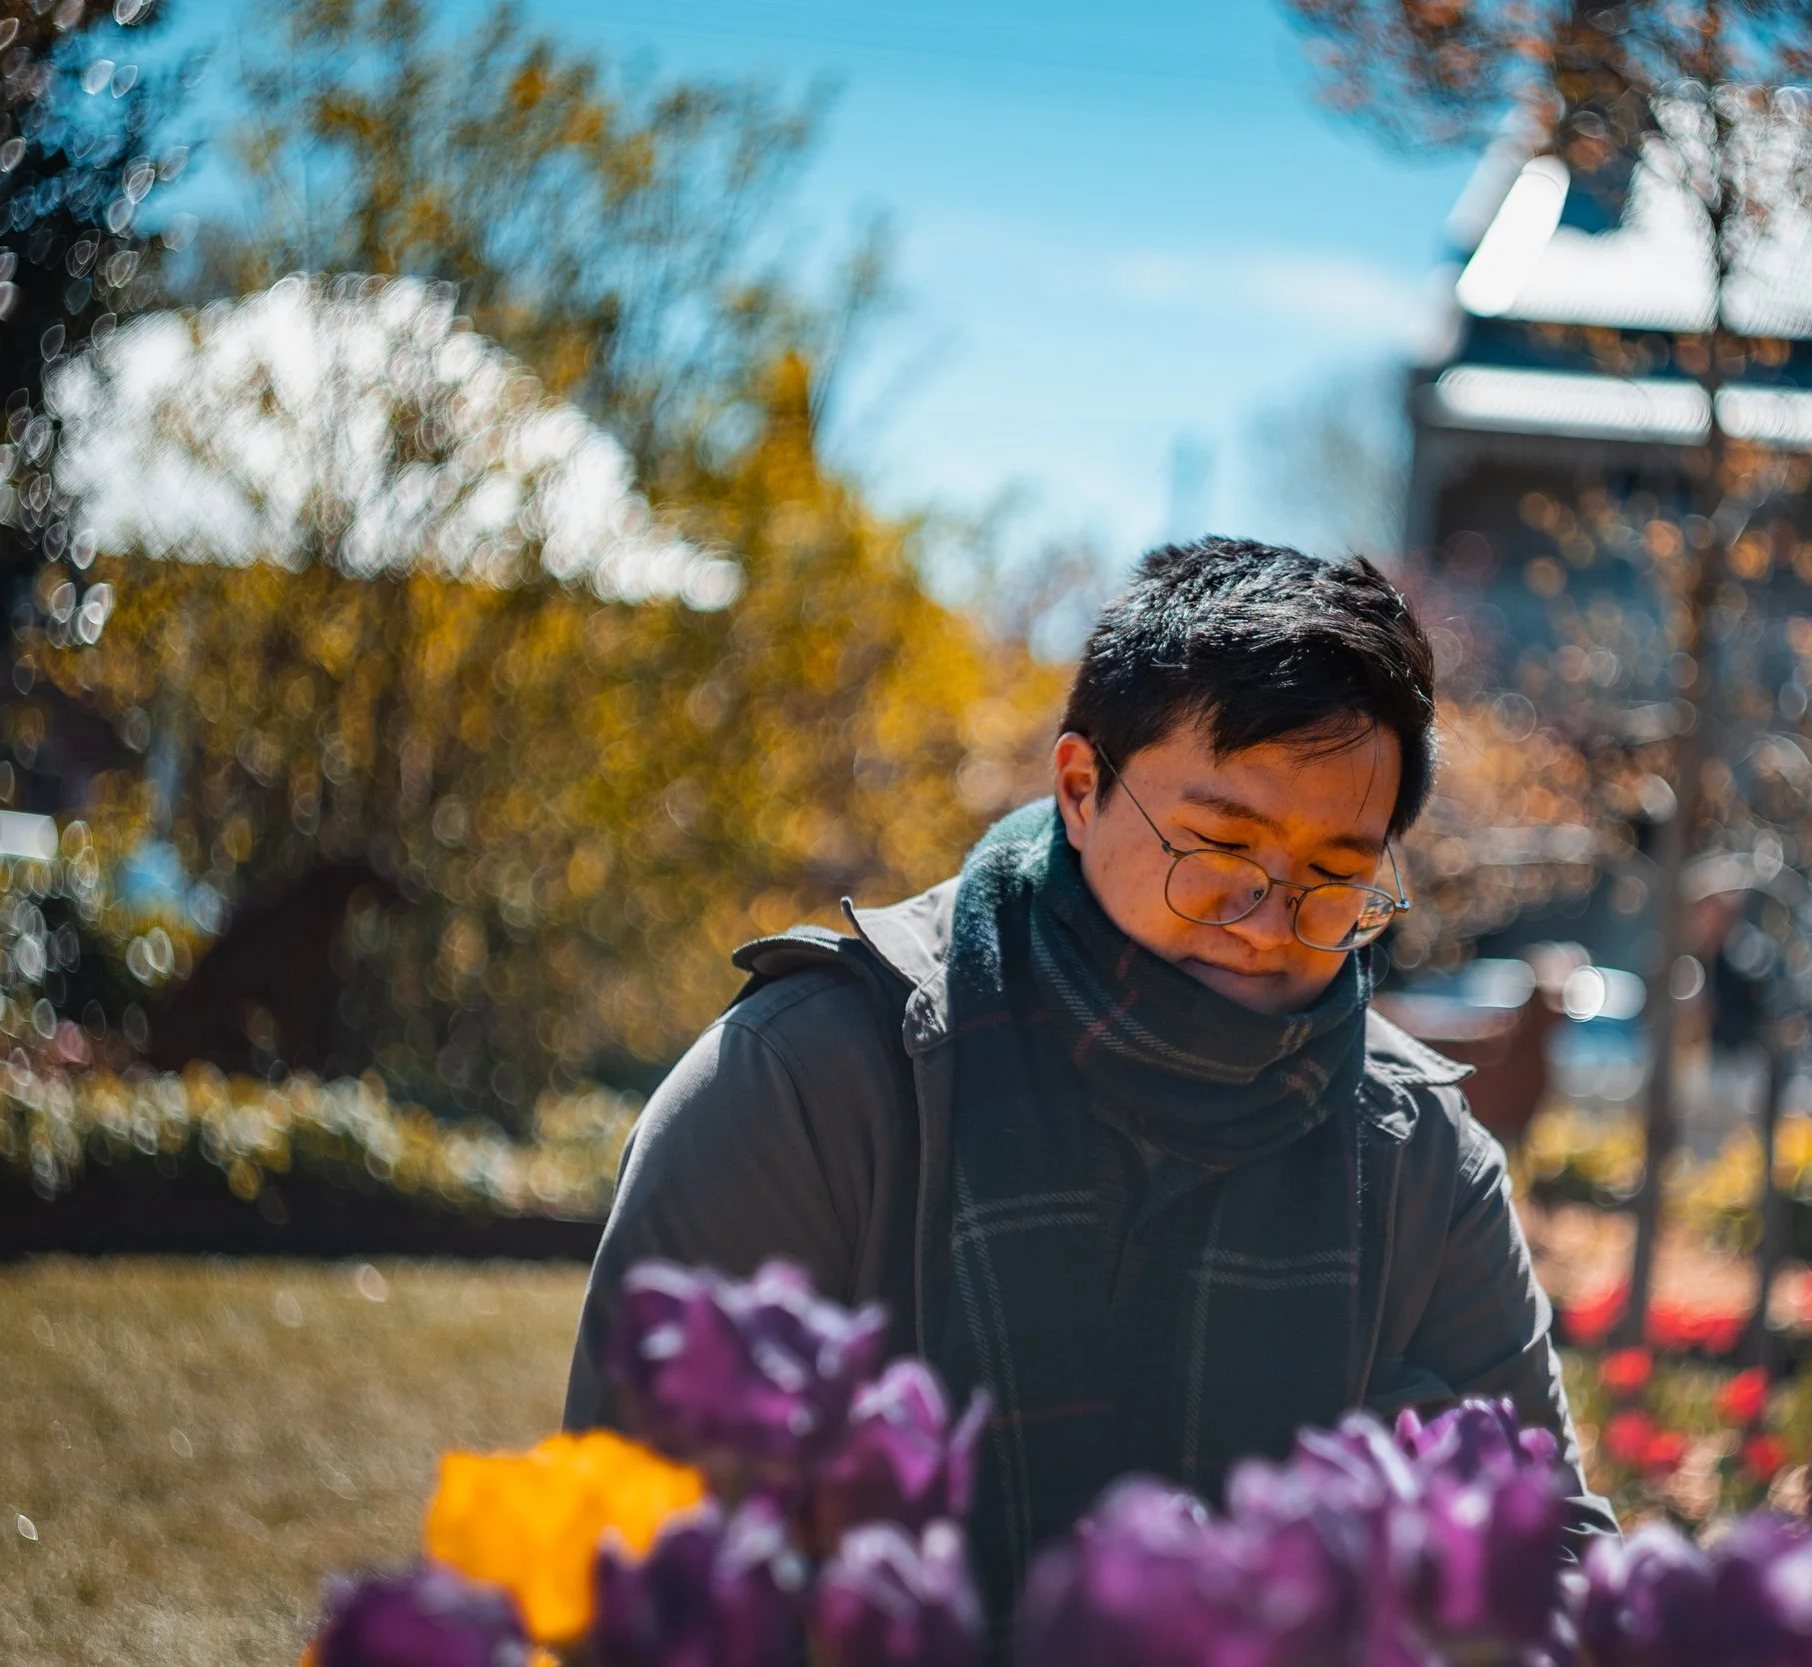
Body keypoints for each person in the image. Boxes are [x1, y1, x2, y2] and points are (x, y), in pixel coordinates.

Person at [562, 538, 1610, 1609]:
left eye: (1335, 876)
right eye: (1217, 847)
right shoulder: (809, 1078)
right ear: (1079, 785)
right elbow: (635, 1558)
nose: (1266, 924)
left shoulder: (1420, 1153)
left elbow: (1552, 1556)